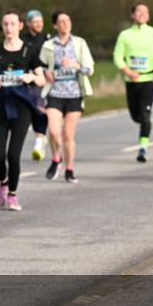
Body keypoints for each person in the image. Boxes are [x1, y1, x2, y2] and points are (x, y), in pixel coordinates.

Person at [0, 9, 46, 211]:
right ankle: (3, 182)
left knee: (13, 155)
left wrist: (32, 78)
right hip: (0, 105)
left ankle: (13, 195)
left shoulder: (29, 51)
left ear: (20, 26)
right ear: (2, 26)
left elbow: (42, 78)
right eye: (5, 24)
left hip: (22, 106)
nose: (8, 27)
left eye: (12, 24)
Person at [39, 10, 95, 184]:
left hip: (74, 94)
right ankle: (56, 159)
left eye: (68, 20)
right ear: (55, 25)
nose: (65, 24)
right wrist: (45, 72)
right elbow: (38, 66)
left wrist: (76, 65)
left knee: (67, 135)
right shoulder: (49, 45)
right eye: (61, 21)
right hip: (54, 92)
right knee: (54, 132)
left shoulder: (79, 43)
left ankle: (69, 170)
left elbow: (90, 69)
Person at [112, 3, 153, 162]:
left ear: (148, 15)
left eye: (145, 11)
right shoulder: (125, 35)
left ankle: (143, 148)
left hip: (149, 80)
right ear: (132, 15)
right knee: (136, 116)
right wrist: (128, 72)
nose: (142, 14)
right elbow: (117, 57)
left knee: (145, 116)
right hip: (131, 80)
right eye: (139, 11)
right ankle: (145, 120)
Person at [22, 10, 52, 161]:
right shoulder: (23, 39)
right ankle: (40, 138)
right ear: (27, 23)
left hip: (44, 81)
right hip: (26, 80)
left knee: (40, 109)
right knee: (31, 110)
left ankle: (39, 141)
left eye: (41, 21)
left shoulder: (48, 39)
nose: (39, 24)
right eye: (35, 21)